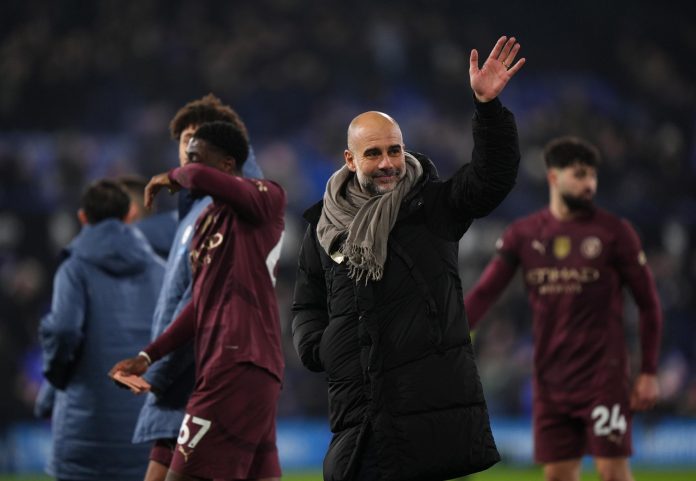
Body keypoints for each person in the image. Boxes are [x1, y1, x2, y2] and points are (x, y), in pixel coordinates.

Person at [291, 35, 524, 481]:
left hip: (426, 412)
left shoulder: (433, 206)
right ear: (349, 159)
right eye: (373, 153)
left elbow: (492, 179)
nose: (387, 163)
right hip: (357, 408)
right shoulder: (322, 226)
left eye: (394, 150)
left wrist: (488, 109)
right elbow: (307, 302)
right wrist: (319, 348)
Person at [464, 136, 662, 481]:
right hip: (550, 381)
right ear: (553, 178)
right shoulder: (523, 235)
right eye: (580, 175)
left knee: (613, 471)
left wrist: (648, 371)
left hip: (604, 378)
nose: (590, 184)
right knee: (557, 475)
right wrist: (451, 337)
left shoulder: (615, 233)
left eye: (593, 176)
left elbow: (649, 304)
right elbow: (483, 294)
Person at [110, 120, 286, 481]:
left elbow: (200, 179)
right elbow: (197, 305)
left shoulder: (267, 196)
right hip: (235, 367)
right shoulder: (206, 223)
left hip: (238, 362)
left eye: (196, 158)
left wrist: (175, 174)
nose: (189, 166)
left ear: (225, 164)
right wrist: (149, 356)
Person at [38, 179, 164, 481]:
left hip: (84, 433)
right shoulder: (162, 271)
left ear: (83, 217)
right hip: (144, 433)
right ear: (131, 214)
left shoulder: (74, 269)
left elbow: (64, 330)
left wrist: (56, 378)